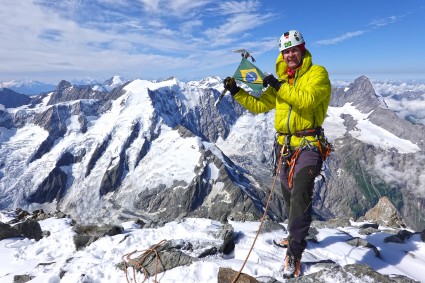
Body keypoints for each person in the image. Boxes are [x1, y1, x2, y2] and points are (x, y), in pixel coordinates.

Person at [223, 30, 331, 278]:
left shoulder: (318, 74)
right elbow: (260, 105)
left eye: (294, 50)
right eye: (286, 51)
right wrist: (236, 92)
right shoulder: (281, 80)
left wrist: (278, 85)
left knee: (301, 192)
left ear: (303, 50)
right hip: (285, 146)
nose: (290, 55)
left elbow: (307, 100)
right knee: (289, 195)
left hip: (309, 143)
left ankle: (294, 251)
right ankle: (294, 234)